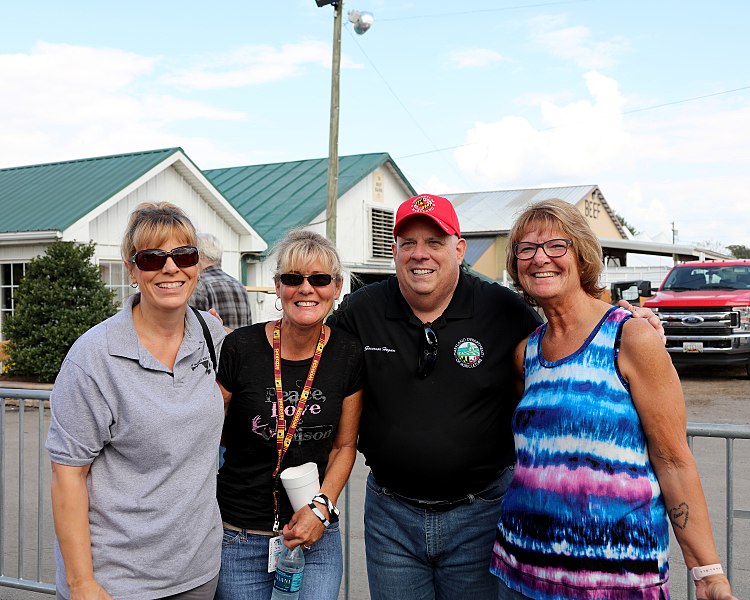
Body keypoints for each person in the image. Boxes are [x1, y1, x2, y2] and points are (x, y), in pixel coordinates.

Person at [327, 194, 664, 600]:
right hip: (391, 518)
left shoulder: (503, 309)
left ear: (458, 248)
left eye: (435, 242)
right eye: (408, 243)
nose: (420, 255)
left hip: (480, 516)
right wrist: (248, 339)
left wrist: (625, 319)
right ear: (394, 250)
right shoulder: (362, 309)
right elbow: (310, 345)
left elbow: (564, 331)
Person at [491, 199, 736, 600]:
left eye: (557, 245)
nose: (540, 258)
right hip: (521, 572)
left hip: (615, 579)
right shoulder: (526, 354)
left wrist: (707, 572)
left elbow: (673, 460)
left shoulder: (630, 337)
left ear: (583, 255)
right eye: (527, 248)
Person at [46, 202, 226, 599]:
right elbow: (67, 475)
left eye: (184, 254)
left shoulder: (212, 336)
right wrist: (82, 584)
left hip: (198, 571)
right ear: (131, 269)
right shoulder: (94, 357)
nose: (170, 268)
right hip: (118, 581)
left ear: (197, 265)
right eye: (151, 257)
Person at [214, 229, 363, 600]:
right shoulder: (241, 347)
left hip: (315, 533)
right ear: (278, 287)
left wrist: (321, 509)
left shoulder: (347, 353)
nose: (306, 289)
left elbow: (344, 447)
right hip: (240, 537)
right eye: (293, 278)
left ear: (336, 287)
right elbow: (208, 432)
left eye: (320, 279)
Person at [190, 232, 252, 330]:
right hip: (242, 344)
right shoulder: (239, 286)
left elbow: (193, 329)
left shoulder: (199, 285)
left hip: (215, 345)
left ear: (200, 255)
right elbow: (249, 328)